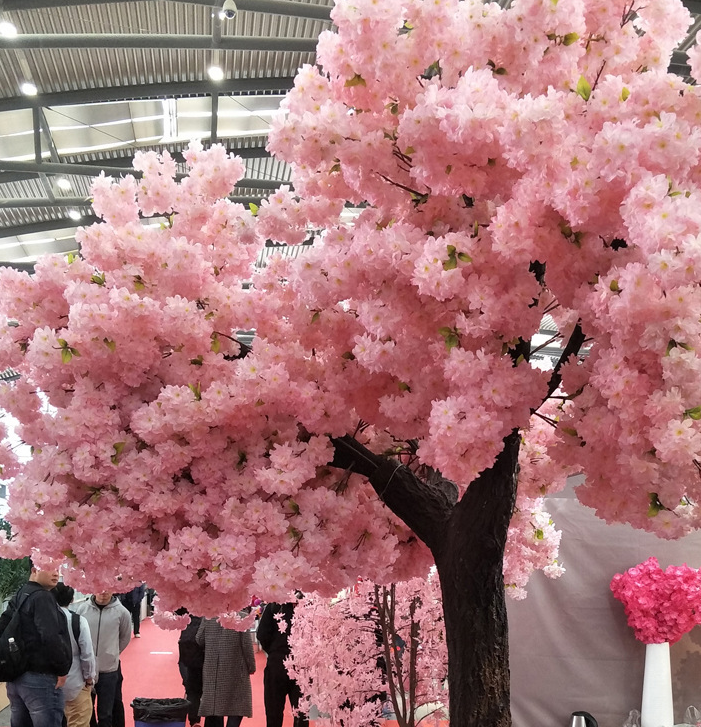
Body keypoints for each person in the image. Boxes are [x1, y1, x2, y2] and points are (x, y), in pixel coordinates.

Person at [0, 564, 72, 727]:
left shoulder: (21, 593)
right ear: (34, 570)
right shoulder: (42, 597)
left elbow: (3, 625)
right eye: (50, 568)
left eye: (57, 569)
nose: (56, 573)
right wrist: (62, 670)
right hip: (41, 679)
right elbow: (51, 636)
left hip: (16, 678)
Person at [74, 592, 131, 727]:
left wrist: (113, 653)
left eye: (107, 589)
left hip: (109, 669)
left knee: (106, 712)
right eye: (99, 589)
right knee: (87, 709)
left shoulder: (122, 612)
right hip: (86, 670)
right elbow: (77, 636)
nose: (103, 592)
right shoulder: (82, 609)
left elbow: (124, 637)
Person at [196, 617, 256, 727]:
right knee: (237, 706)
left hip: (213, 669)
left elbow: (199, 639)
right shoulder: (241, 617)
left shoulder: (209, 617)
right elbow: (247, 645)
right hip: (236, 669)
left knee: (215, 708)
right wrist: (251, 666)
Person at [52, 583, 97, 727]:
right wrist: (89, 678)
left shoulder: (41, 620)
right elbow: (87, 654)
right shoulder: (78, 621)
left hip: (47, 683)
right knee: (79, 722)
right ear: (72, 600)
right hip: (75, 682)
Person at [257, 602, 308, 727]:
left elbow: (262, 635)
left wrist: (274, 651)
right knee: (301, 714)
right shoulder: (307, 606)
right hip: (301, 665)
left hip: (277, 663)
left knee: (274, 712)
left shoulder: (273, 607)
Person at [177, 612, 204, 727]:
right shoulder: (208, 619)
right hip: (204, 658)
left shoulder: (187, 620)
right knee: (208, 691)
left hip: (188, 659)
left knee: (192, 691)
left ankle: (194, 720)